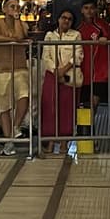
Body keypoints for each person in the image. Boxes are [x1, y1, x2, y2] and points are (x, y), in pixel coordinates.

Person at [0, 0, 30, 156]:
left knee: (24, 97)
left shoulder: (22, 23)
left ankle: (15, 127)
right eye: (12, 7)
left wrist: (17, 20)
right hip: (2, 68)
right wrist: (12, 40)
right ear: (4, 9)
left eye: (17, 6)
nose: (15, 9)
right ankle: (9, 142)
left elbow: (21, 36)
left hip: (20, 67)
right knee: (4, 106)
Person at [41, 9, 83, 155]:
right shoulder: (49, 36)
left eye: (69, 19)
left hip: (69, 75)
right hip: (52, 75)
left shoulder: (76, 35)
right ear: (58, 19)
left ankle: (64, 144)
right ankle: (51, 143)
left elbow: (78, 55)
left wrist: (64, 70)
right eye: (63, 17)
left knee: (67, 109)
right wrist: (55, 71)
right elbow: (46, 56)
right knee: (51, 109)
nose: (66, 21)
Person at [78, 0, 110, 122]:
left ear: (96, 10)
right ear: (82, 10)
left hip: (100, 71)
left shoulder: (102, 25)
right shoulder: (78, 27)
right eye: (86, 8)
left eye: (92, 8)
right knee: (84, 105)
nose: (89, 11)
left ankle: (88, 128)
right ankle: (85, 129)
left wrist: (105, 39)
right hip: (83, 71)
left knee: (94, 103)